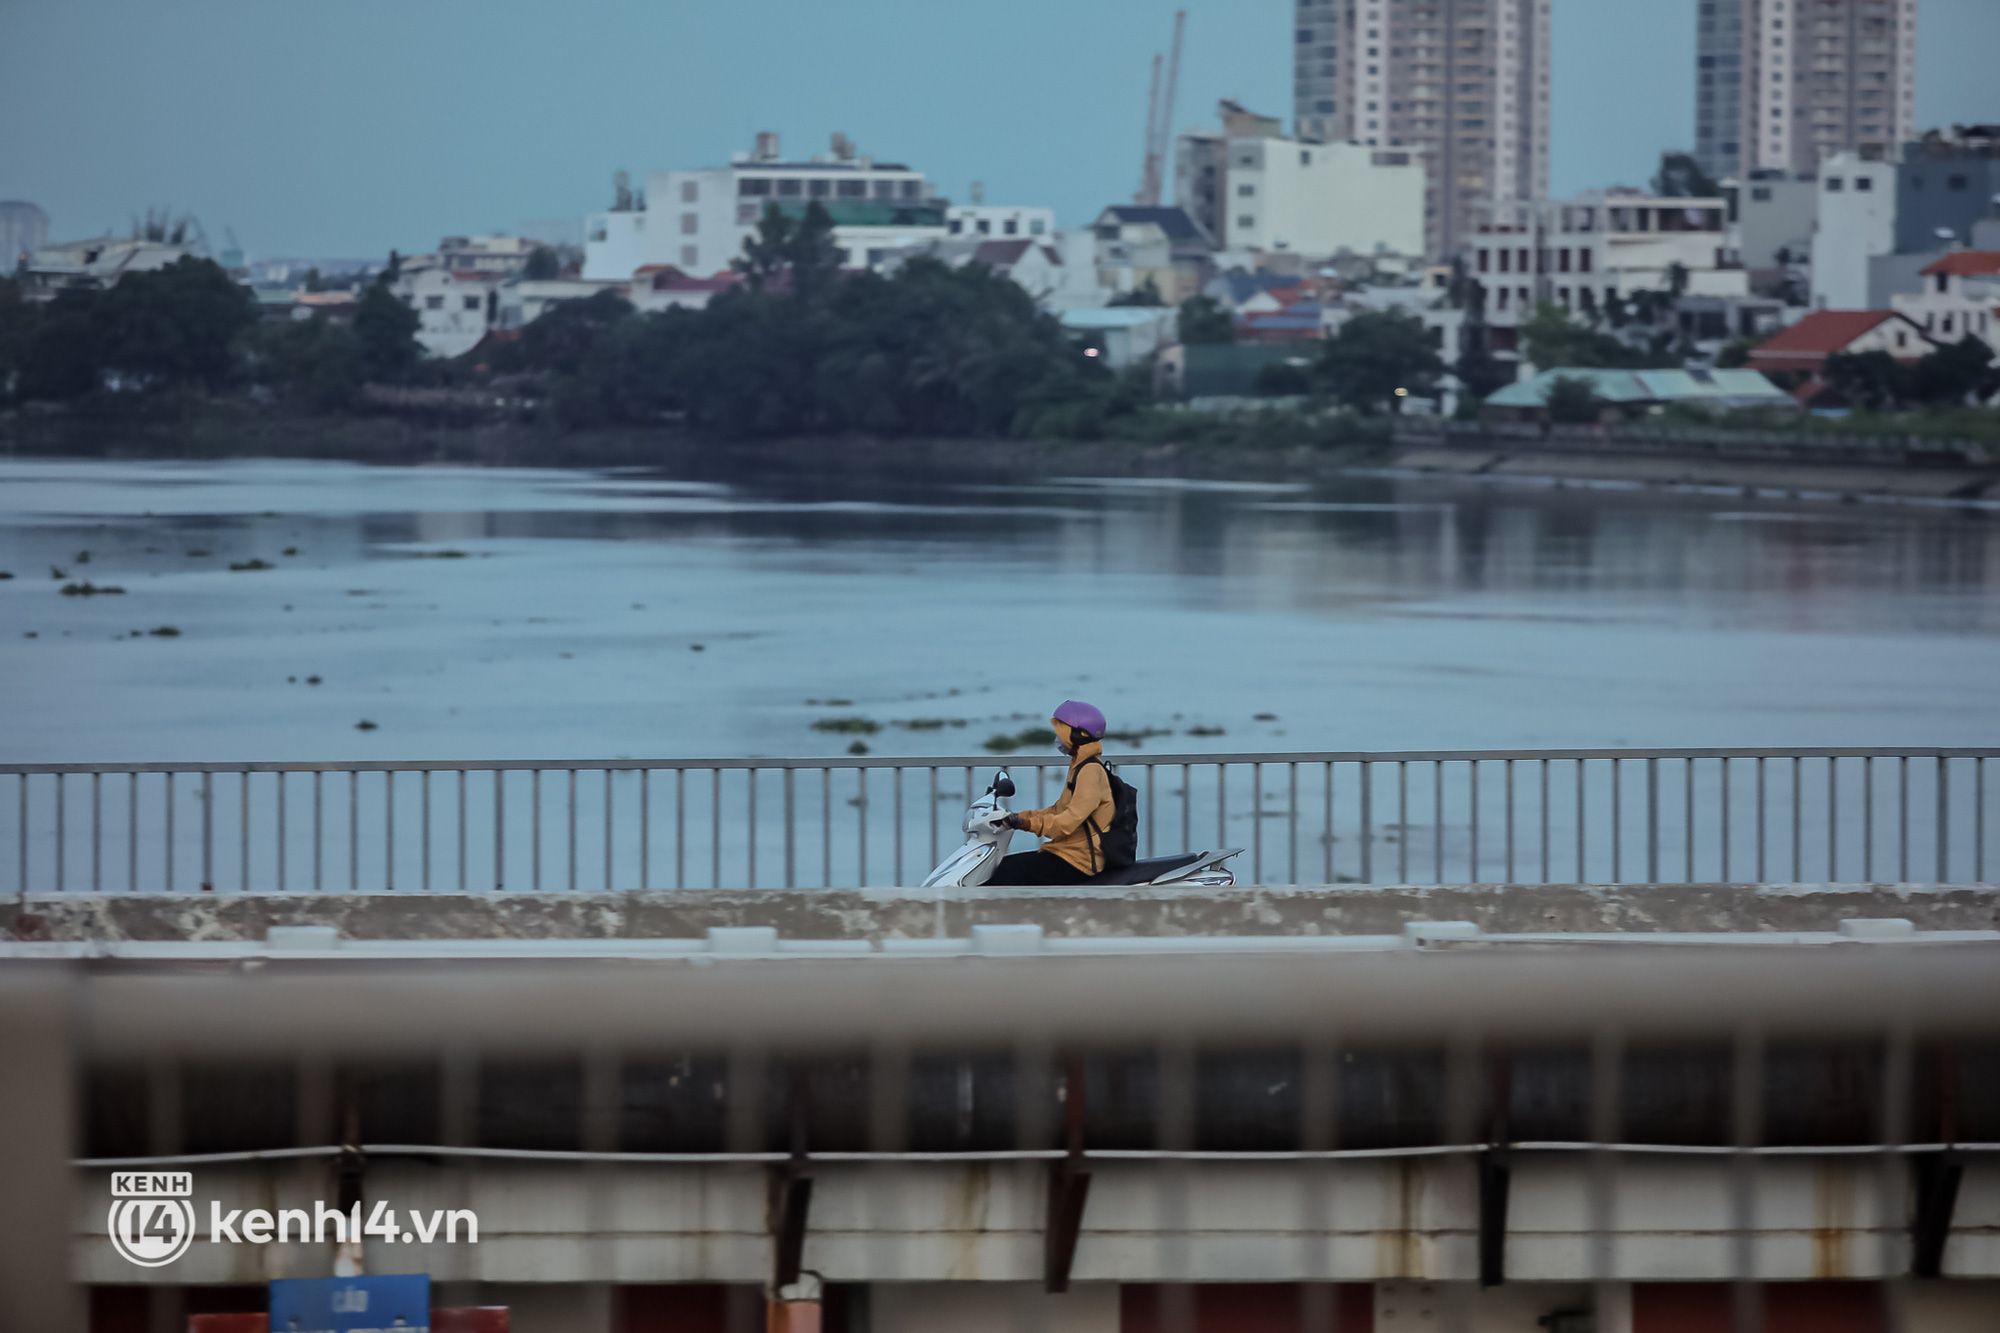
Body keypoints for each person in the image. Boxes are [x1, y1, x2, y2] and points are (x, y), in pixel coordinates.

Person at [984, 700, 1115, 886]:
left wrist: (1027, 823)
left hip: (1079, 861)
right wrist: (1017, 817)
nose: (1057, 738)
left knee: (1005, 872)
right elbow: (1057, 810)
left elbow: (1068, 821)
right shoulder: (1080, 766)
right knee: (1004, 867)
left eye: (1061, 732)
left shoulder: (1090, 771)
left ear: (1077, 735)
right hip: (1067, 852)